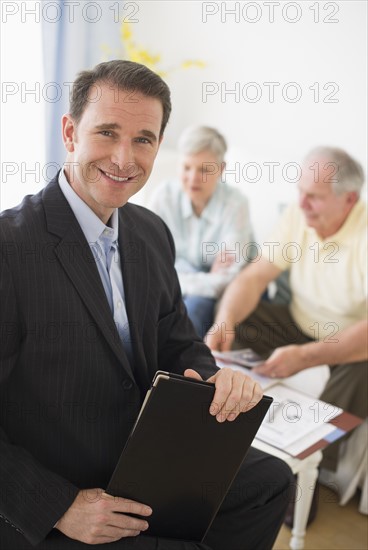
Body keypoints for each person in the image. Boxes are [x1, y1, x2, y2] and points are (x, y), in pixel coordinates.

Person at [0, 60, 293, 550]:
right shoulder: (10, 249)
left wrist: (213, 378)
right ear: (70, 132)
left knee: (271, 483)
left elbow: (177, 338)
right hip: (61, 482)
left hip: (144, 457)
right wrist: (60, 506)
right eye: (107, 132)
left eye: (143, 139)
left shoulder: (151, 232)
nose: (123, 157)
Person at [206, 146, 368, 474]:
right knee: (234, 313)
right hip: (299, 320)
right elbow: (253, 277)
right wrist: (225, 323)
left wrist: (306, 356)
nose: (302, 204)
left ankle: (309, 473)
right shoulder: (298, 215)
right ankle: (238, 421)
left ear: (349, 200)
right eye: (300, 192)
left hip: (350, 341)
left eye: (314, 196)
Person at [150, 126, 253, 338]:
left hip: (223, 294)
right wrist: (205, 277)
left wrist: (177, 275)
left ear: (221, 169)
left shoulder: (235, 204)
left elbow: (228, 278)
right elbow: (152, 266)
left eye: (204, 170)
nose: (193, 178)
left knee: (193, 309)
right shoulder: (164, 197)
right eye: (186, 167)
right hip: (184, 287)